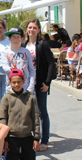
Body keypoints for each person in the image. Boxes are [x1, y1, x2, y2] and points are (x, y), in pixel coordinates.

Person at [21, 18, 54, 152]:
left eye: (34, 28)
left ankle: (44, 140)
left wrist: (47, 83)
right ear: (27, 29)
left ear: (39, 30)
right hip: (27, 83)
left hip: (40, 83)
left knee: (42, 112)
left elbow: (51, 63)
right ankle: (31, 139)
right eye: (30, 27)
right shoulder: (23, 44)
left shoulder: (42, 44)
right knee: (28, 112)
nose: (32, 30)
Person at [0, 69, 40, 160]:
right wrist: (4, 140)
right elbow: (3, 120)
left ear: (23, 81)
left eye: (19, 82)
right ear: (9, 82)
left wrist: (36, 138)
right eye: (14, 82)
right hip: (12, 138)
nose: (16, 85)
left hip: (28, 137)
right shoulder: (6, 98)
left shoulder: (30, 98)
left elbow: (35, 119)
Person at [1, 26, 36, 94]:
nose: (16, 39)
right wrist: (10, 68)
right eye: (13, 37)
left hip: (25, 87)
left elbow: (32, 69)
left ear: (22, 39)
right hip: (11, 88)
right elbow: (4, 66)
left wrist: (31, 87)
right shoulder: (5, 52)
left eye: (18, 37)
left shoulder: (26, 51)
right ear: (9, 38)